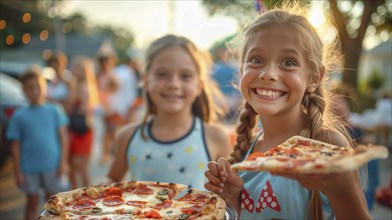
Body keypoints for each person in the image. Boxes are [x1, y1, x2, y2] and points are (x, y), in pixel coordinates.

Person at [204, 2, 371, 220]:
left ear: (314, 78)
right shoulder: (248, 148)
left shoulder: (327, 145)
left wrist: (343, 192)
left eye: (288, 62)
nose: (268, 73)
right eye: (256, 60)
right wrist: (233, 198)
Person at [107, 34, 231, 190]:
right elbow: (111, 182)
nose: (173, 84)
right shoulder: (128, 136)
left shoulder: (216, 137)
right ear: (145, 81)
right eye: (162, 74)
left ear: (199, 85)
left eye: (185, 76)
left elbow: (228, 194)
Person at [6, 67, 69, 220]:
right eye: (30, 87)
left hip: (52, 166)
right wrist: (18, 171)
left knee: (53, 201)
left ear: (45, 86)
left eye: (38, 86)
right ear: (23, 90)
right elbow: (15, 146)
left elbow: (63, 138)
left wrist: (63, 163)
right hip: (29, 168)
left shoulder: (55, 110)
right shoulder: (19, 115)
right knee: (32, 202)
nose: (35, 91)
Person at [68, 56, 100, 189]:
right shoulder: (88, 85)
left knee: (79, 166)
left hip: (80, 129)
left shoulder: (81, 86)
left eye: (77, 68)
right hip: (86, 128)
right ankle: (86, 192)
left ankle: (82, 193)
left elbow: (82, 109)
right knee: (83, 166)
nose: (74, 71)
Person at [95, 53, 121, 164]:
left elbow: (116, 88)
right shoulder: (98, 76)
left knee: (113, 131)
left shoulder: (113, 75)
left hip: (114, 108)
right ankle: (106, 153)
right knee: (107, 131)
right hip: (103, 108)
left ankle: (111, 153)